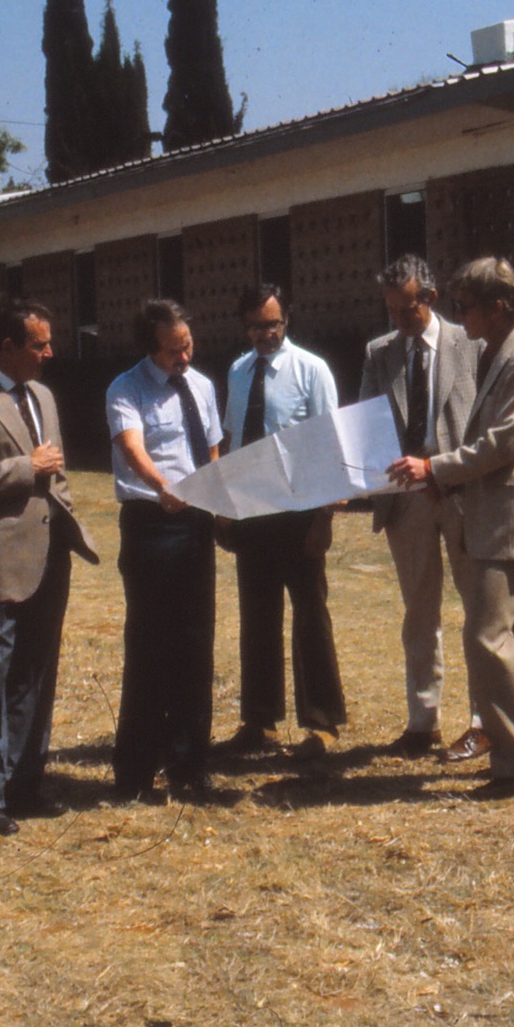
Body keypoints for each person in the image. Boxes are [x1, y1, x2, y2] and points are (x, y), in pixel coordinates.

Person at [386, 258, 514, 798]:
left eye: (465, 306)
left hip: (511, 517)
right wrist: (447, 482)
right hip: (499, 511)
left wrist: (434, 469)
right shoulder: (497, 354)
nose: (458, 314)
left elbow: (501, 444)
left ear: (499, 307)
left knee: (487, 636)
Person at [0, 299, 99, 837]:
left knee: (34, 677)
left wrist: (66, 521)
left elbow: (58, 472)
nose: (50, 353)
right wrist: (25, 467)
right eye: (39, 344)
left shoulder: (43, 396)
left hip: (47, 559)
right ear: (7, 347)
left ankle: (25, 785)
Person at [358, 255, 488, 761]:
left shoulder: (471, 344)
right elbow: (367, 425)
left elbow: (485, 423)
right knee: (419, 611)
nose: (398, 320)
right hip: (405, 500)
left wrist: (442, 472)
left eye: (406, 310)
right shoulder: (379, 354)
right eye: (390, 311)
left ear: (431, 299)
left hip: (460, 494)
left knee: (479, 609)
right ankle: (422, 720)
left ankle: (482, 722)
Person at [218, 285, 348, 760]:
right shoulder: (238, 371)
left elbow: (330, 443)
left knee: (310, 615)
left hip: (299, 512)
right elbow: (232, 439)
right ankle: (259, 721)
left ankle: (322, 723)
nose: (264, 334)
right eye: (256, 326)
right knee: (257, 618)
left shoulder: (311, 370)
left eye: (272, 324)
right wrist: (225, 504)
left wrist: (324, 518)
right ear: (245, 326)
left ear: (286, 320)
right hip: (252, 510)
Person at [104, 299, 225, 804]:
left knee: (196, 646)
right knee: (151, 647)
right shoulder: (126, 388)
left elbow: (212, 446)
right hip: (152, 524)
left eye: (188, 345)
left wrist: (213, 492)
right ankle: (135, 771)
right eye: (175, 350)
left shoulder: (202, 385)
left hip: (195, 523)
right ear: (151, 348)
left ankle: (189, 765)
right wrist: (163, 487)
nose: (185, 357)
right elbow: (132, 448)